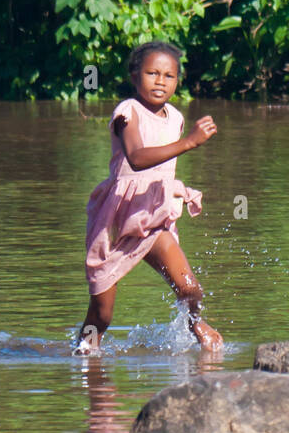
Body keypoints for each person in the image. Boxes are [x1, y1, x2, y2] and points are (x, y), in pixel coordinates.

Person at [74, 40, 223, 354]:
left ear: (177, 81)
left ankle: (195, 323)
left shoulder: (176, 118)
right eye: (152, 73)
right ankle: (85, 357)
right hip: (116, 223)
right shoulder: (126, 112)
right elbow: (137, 158)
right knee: (102, 315)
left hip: (154, 218)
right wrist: (190, 143)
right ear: (134, 75)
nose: (160, 81)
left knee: (190, 289)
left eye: (168, 76)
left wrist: (187, 139)